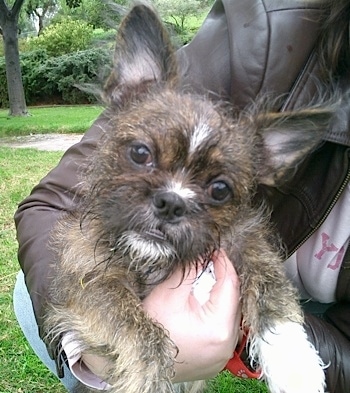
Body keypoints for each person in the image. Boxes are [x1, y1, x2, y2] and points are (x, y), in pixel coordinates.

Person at [13, 0, 350, 391]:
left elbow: (251, 248)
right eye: (142, 156)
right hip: (124, 296)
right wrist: (101, 354)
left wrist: (246, 336)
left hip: (284, 305)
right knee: (33, 293)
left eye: (217, 190)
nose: (173, 197)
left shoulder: (246, 229)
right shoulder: (267, 33)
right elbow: (49, 206)